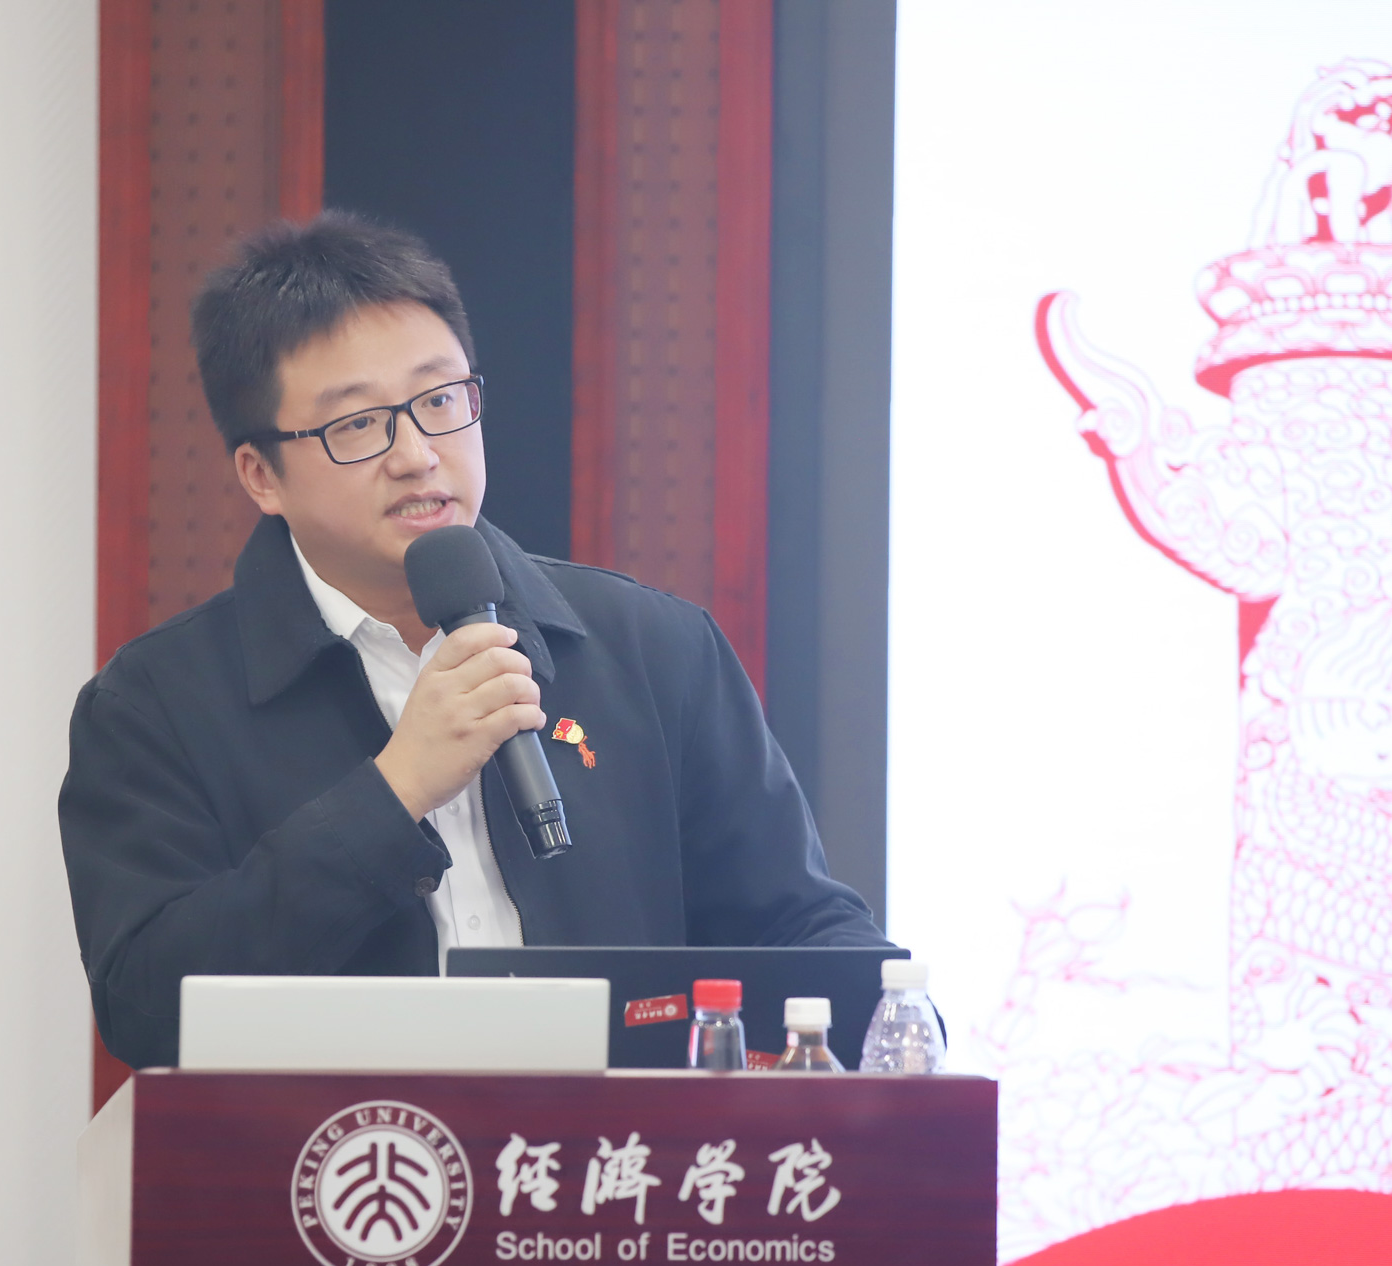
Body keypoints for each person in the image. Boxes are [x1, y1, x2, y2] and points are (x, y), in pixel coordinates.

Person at [59, 212, 888, 1068]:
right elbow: (148, 1008)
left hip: (614, 1150)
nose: (417, 454)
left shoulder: (654, 651)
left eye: (439, 401)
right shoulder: (154, 707)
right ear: (261, 475)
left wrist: (896, 1014)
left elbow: (797, 923)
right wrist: (396, 791)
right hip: (355, 1153)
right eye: (357, 424)